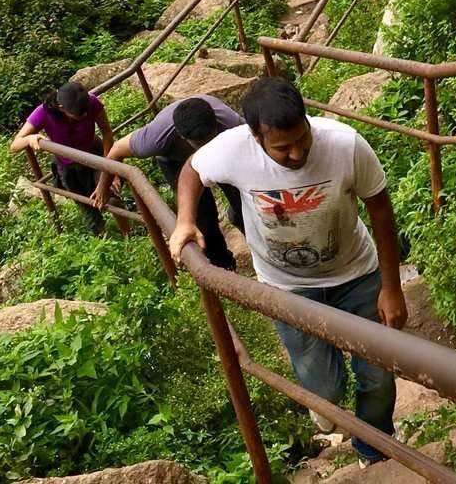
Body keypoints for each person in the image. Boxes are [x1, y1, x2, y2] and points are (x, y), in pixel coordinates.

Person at [169, 76, 406, 468]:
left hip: (357, 275)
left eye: (303, 140)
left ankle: (372, 449)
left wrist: (391, 287)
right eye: (283, 148)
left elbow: (379, 206)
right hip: (288, 287)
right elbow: (192, 170)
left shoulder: (344, 144)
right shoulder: (233, 149)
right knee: (324, 387)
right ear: (256, 137)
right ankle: (327, 406)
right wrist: (185, 220)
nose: (297, 154)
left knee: (378, 377)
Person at [91, 95, 245, 271]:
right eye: (199, 144)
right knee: (203, 217)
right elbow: (116, 151)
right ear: (182, 136)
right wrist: (103, 187)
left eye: (210, 139)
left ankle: (257, 242)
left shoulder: (232, 124)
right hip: (174, 160)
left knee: (243, 201)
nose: (205, 149)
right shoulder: (155, 138)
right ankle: (222, 265)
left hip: (225, 151)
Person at [11, 81, 130, 237]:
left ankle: (128, 236)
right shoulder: (43, 113)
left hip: (95, 156)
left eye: (86, 111)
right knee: (87, 208)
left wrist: (110, 169)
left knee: (111, 195)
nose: (86, 115)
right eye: (80, 114)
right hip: (68, 166)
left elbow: (107, 134)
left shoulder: (91, 102)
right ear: (62, 108)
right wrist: (30, 139)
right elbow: (14, 145)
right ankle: (102, 239)